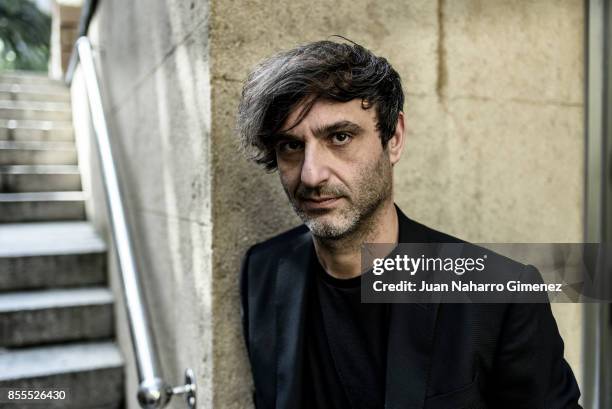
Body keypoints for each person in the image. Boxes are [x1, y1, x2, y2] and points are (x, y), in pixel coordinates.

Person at [236, 39, 581, 409]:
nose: (311, 174)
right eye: (291, 145)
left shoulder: (499, 296)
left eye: (340, 137)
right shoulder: (264, 269)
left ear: (394, 138)